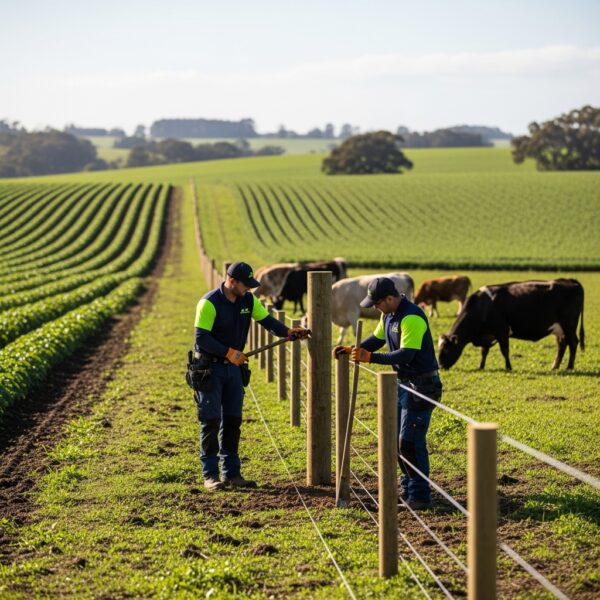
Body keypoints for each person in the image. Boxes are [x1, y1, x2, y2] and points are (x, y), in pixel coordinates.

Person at [194, 261, 310, 490]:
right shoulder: (209, 303)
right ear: (231, 281)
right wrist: (228, 352)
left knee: (233, 421)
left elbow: (267, 321)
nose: (249, 288)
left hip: (234, 370)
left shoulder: (248, 300)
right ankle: (210, 475)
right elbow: (201, 338)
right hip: (210, 368)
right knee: (210, 420)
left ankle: (232, 474)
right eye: (245, 284)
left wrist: (288, 331)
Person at [334, 277, 442, 509]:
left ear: (391, 298)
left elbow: (406, 355)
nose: (374, 307)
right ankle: (408, 489)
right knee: (396, 441)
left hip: (421, 386)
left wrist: (370, 358)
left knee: (410, 443)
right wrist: (356, 349)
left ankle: (420, 496)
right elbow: (377, 339)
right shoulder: (388, 315)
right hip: (403, 384)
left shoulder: (411, 316)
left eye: (377, 303)